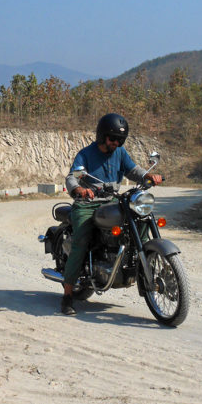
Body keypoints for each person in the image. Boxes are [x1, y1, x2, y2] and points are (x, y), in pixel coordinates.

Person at [60, 113, 162, 315]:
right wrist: (79, 190)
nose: (116, 143)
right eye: (112, 138)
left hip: (114, 201)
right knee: (81, 241)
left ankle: (139, 267)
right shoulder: (86, 154)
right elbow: (72, 176)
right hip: (88, 203)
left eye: (120, 139)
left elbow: (132, 170)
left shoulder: (120, 152)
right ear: (102, 135)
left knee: (140, 220)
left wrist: (147, 175)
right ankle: (67, 296)